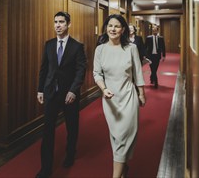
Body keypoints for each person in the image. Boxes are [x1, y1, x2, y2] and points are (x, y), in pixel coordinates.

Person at [93, 14, 146, 178]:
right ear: (106, 28)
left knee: (124, 136)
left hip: (128, 97)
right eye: (110, 26)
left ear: (123, 30)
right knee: (117, 137)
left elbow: (137, 72)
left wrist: (142, 93)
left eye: (117, 26)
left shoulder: (131, 48)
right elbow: (97, 74)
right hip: (110, 100)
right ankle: (123, 168)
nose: (113, 29)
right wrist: (103, 89)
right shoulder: (100, 49)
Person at [36, 11, 87, 178]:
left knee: (72, 127)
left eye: (61, 22)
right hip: (51, 93)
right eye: (55, 22)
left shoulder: (77, 46)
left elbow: (81, 71)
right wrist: (40, 89)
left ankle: (70, 154)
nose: (58, 25)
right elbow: (44, 69)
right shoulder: (49, 44)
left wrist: (73, 90)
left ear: (68, 24)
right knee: (47, 131)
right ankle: (46, 168)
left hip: (69, 95)